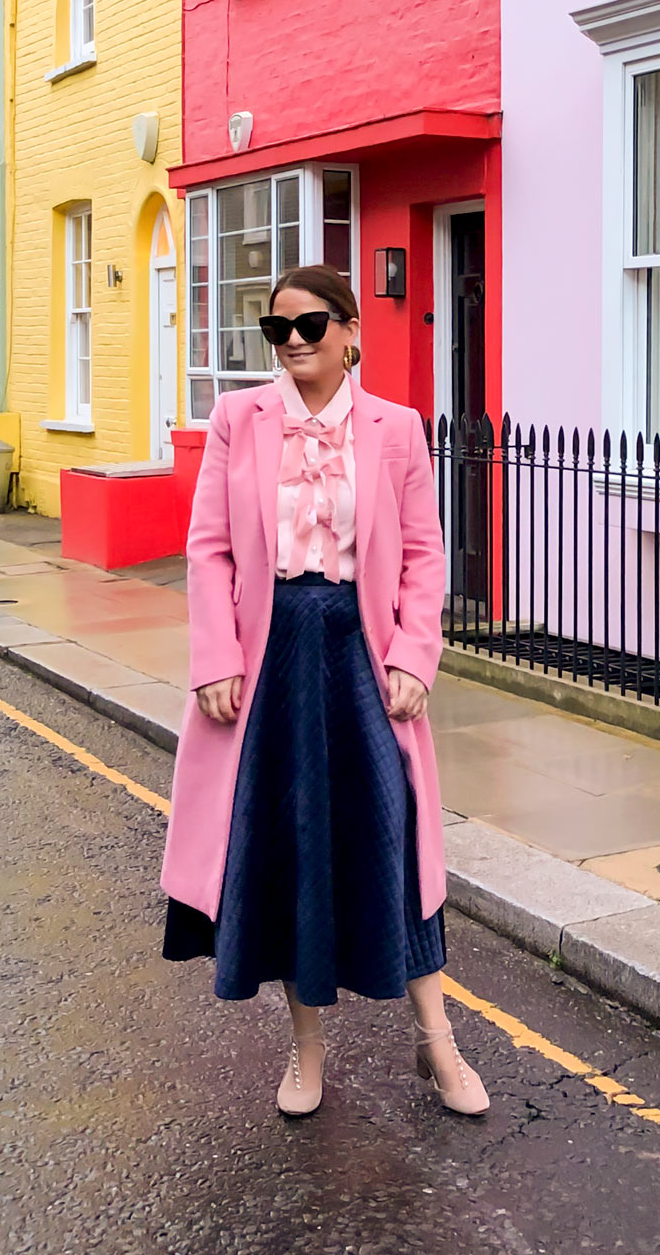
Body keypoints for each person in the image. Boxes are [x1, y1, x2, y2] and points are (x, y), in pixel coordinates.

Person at [160, 264, 488, 1118]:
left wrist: (417, 654)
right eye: (279, 331)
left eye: (311, 325)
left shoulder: (397, 428)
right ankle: (305, 1052)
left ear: (350, 332)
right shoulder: (239, 418)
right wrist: (216, 658)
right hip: (268, 657)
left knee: (395, 835)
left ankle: (437, 1041)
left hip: (361, 654)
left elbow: (423, 553)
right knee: (288, 845)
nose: (295, 342)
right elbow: (209, 550)